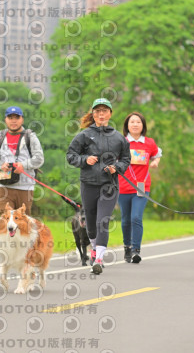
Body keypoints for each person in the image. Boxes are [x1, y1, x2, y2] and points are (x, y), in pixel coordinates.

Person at [67, 98, 131, 275]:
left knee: (103, 221)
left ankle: (99, 259)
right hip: (88, 184)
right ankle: (94, 249)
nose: (101, 114)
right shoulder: (84, 135)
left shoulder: (119, 138)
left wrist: (117, 167)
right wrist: (84, 160)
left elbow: (126, 159)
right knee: (91, 223)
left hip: (109, 186)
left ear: (110, 114)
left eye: (104, 111)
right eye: (97, 111)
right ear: (93, 114)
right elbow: (71, 155)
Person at [117, 112, 162, 264]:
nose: (135, 124)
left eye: (138, 122)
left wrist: (155, 162)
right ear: (127, 125)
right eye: (132, 122)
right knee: (125, 219)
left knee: (136, 217)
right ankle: (127, 247)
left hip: (141, 186)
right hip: (123, 186)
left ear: (143, 125)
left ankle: (136, 250)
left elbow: (157, 154)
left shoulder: (149, 143)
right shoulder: (121, 142)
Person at [0, 105, 44, 215]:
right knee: (5, 220)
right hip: (5, 187)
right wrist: (0, 165)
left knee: (23, 222)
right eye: (10, 118)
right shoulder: (0, 137)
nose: (13, 121)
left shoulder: (30, 137)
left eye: (17, 118)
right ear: (5, 120)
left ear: (22, 119)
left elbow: (39, 158)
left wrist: (23, 165)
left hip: (25, 188)